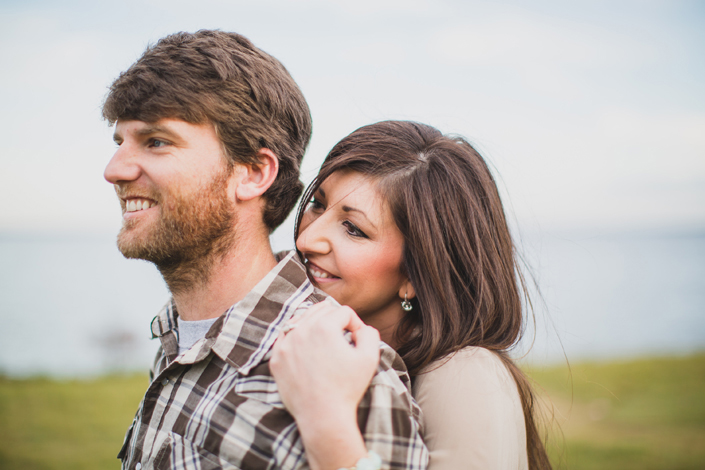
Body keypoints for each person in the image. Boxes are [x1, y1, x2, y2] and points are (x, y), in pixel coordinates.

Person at [102, 31, 428, 470]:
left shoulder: (350, 373)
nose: (115, 169)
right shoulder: (177, 337)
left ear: (254, 173)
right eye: (119, 141)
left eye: (157, 141)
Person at [271, 121, 553, 469]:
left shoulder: (464, 376)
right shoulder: (323, 342)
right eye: (317, 204)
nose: (306, 240)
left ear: (416, 273)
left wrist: (324, 417)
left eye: (354, 229)